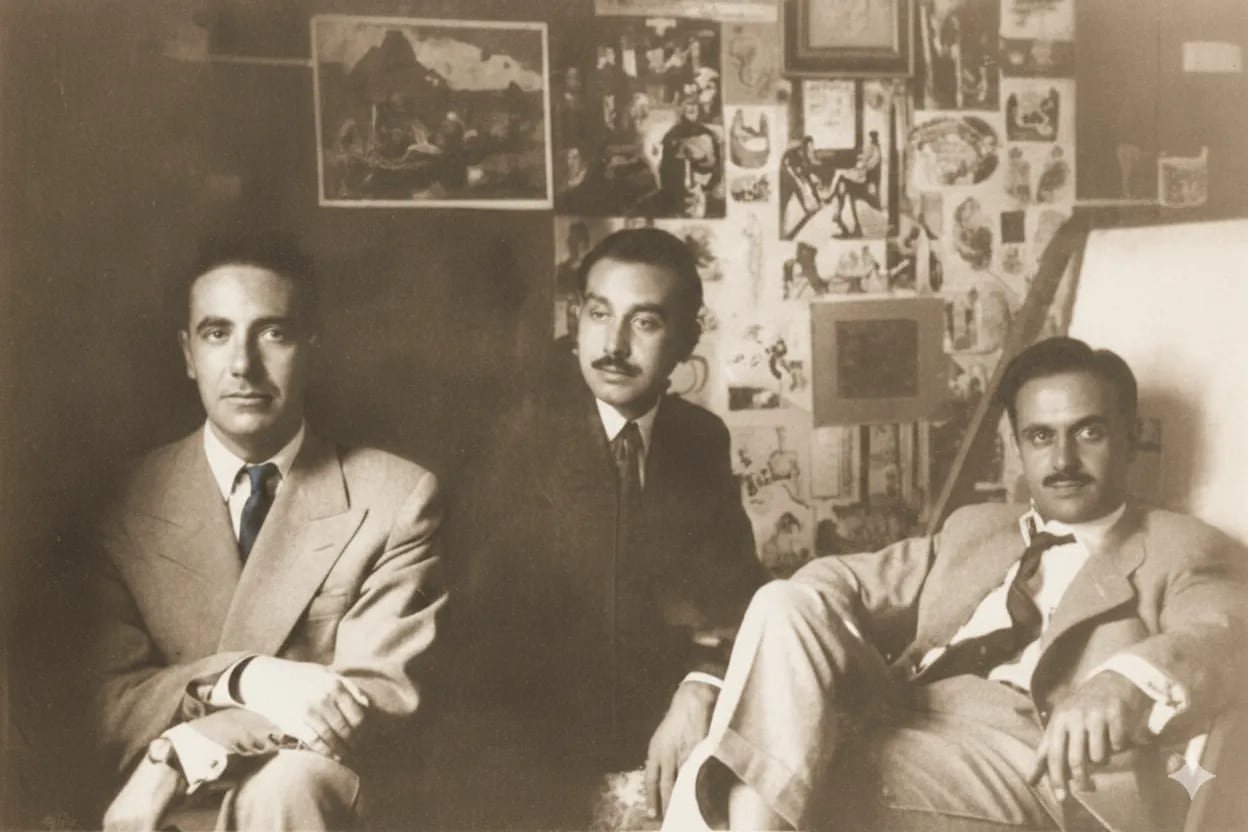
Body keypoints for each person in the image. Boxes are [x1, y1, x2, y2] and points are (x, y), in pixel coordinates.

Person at [664, 336, 1248, 832]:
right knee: (783, 603)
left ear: (1130, 436)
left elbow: (1225, 635)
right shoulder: (977, 527)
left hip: (1030, 761)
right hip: (903, 715)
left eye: (1088, 432)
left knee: (734, 768)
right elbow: (835, 584)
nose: (1063, 459)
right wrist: (711, 677)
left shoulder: (1184, 545)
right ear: (1017, 445)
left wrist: (1126, 680)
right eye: (1041, 437)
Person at [87, 232, 446, 831]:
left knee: (289, 787)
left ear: (313, 350)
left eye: (273, 333)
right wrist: (247, 677)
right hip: (159, 815)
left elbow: (370, 698)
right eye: (217, 333)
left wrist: (182, 751)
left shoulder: (395, 497)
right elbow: (100, 703)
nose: (243, 365)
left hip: (304, 804)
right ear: (187, 354)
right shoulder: (122, 503)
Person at [442, 227, 762, 828]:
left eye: (645, 322)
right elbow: (475, 646)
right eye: (599, 314)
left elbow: (735, 593)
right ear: (576, 319)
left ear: (687, 340)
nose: (613, 345)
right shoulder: (512, 433)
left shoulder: (700, 439)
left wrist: (701, 683)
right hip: (527, 760)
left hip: (658, 736)